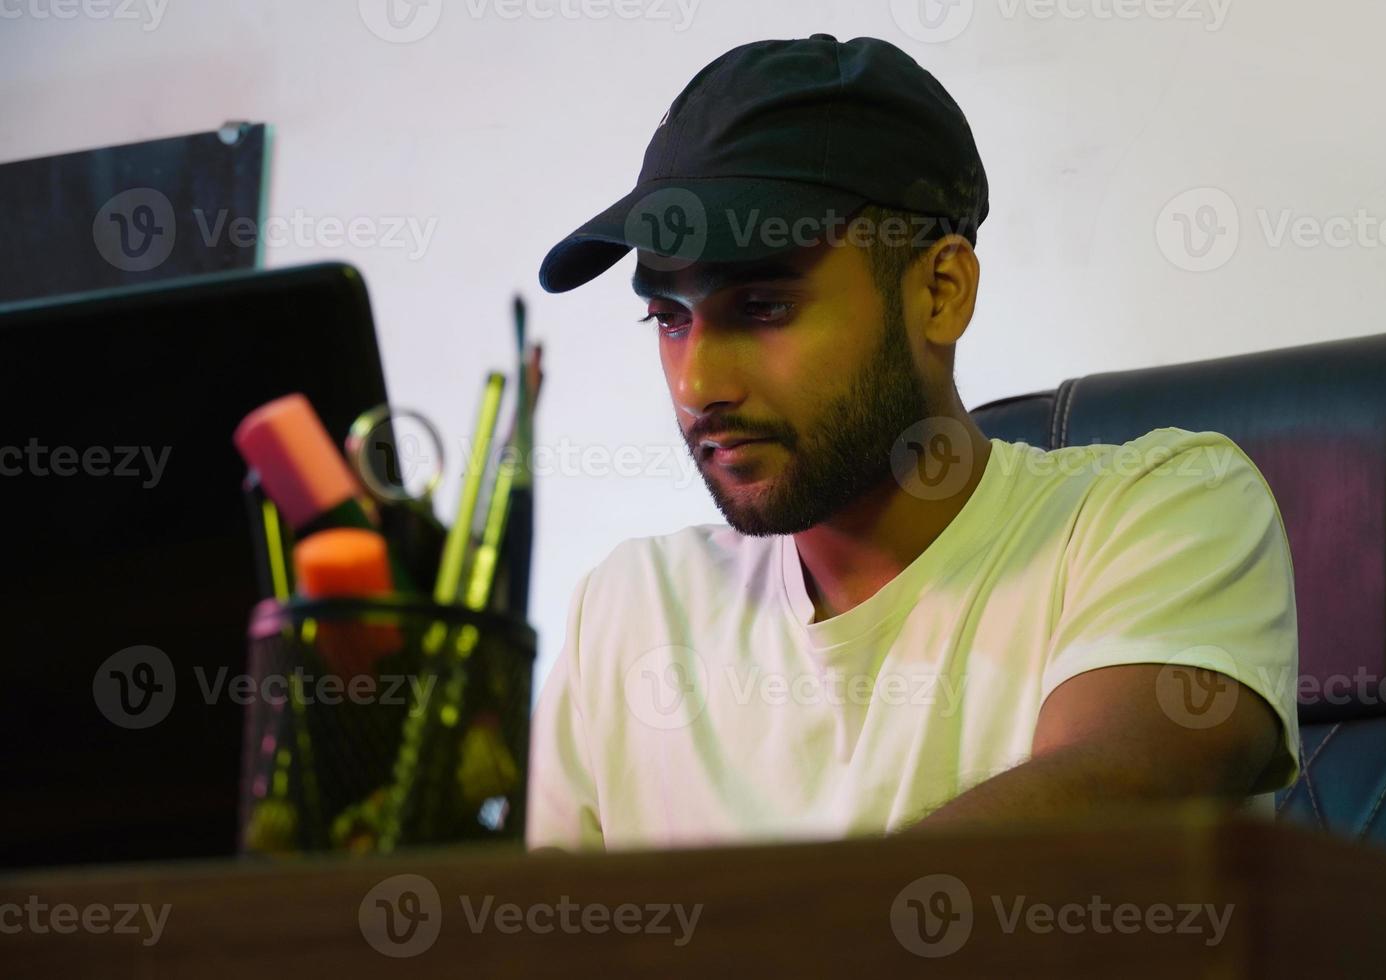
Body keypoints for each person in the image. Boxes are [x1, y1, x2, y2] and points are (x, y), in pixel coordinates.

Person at [527, 34, 1299, 851]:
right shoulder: (631, 609)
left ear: (941, 291)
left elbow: (1114, 812)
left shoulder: (1163, 512)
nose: (696, 385)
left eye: (762, 306)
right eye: (669, 319)